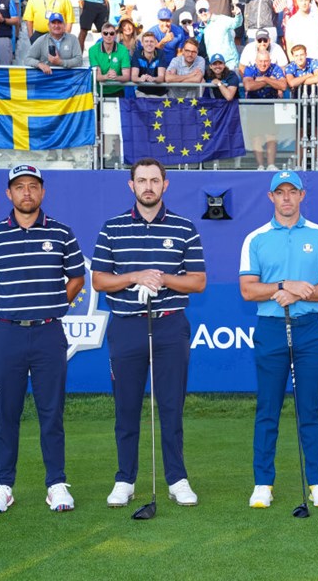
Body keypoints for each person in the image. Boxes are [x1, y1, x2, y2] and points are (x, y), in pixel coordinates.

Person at [91, 158, 207, 509]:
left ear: (165, 185)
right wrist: (135, 276)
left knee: (171, 407)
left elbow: (198, 281)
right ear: (131, 186)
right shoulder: (112, 228)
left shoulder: (184, 227)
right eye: (141, 180)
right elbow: (99, 280)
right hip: (127, 325)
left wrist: (162, 278)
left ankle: (176, 478)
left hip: (170, 324)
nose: (148, 186)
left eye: (154, 180)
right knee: (126, 408)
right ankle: (125, 479)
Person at [0, 164, 85, 515]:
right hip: (7, 334)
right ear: (9, 193)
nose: (26, 192)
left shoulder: (62, 233)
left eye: (32, 186)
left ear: (42, 191)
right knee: (7, 413)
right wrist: (7, 307)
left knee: (51, 413)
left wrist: (54, 306)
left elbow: (78, 277)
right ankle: (3, 485)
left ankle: (56, 484)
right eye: (19, 186)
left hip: (49, 332)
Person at [239, 170, 318, 510]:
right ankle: (263, 483)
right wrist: (283, 286)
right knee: (268, 409)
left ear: (301, 196)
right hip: (270, 328)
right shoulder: (255, 238)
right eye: (279, 192)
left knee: (309, 408)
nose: (286, 198)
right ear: (271, 197)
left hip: (310, 327)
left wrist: (300, 294)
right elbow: (248, 289)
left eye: (292, 192)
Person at [25, 12, 82, 161]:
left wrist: (60, 63)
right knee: (49, 118)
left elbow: (79, 60)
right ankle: (51, 149)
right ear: (49, 25)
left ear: (64, 25)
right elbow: (28, 58)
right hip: (47, 86)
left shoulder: (73, 39)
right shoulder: (41, 40)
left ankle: (66, 149)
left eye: (59, 23)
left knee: (66, 117)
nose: (56, 26)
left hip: (66, 86)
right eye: (53, 23)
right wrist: (40, 64)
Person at [243, 49, 288, 171]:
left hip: (271, 107)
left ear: (270, 61)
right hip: (254, 108)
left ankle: (271, 165)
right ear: (256, 61)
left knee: (271, 136)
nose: (263, 64)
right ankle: (260, 166)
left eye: (266, 61)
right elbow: (248, 86)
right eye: (261, 61)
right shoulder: (250, 68)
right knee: (256, 137)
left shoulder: (276, 68)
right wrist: (271, 81)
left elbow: (283, 86)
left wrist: (264, 79)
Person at [196, 0, 243, 71]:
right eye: (200, 11)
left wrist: (238, 14)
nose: (203, 13)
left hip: (230, 64)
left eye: (205, 10)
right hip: (214, 66)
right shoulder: (200, 29)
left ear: (209, 9)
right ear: (197, 14)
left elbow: (237, 23)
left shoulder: (221, 19)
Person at [90, 21, 132, 98]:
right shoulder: (93, 50)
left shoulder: (123, 50)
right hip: (98, 91)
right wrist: (107, 76)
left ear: (115, 34)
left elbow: (126, 76)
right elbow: (97, 76)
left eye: (111, 33)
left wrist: (116, 77)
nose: (108, 36)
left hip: (117, 91)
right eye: (105, 33)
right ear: (101, 34)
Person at [284, 0, 318, 66]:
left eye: (306, 0)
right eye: (301, 0)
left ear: (310, 1)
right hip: (300, 65)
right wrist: (294, 65)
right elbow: (289, 46)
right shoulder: (292, 22)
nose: (304, 3)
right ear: (297, 2)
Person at [131, 31, 169, 97]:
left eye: (151, 41)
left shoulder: (161, 54)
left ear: (155, 43)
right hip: (142, 92)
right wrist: (140, 79)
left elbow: (161, 77)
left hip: (160, 93)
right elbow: (134, 76)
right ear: (142, 43)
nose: (149, 44)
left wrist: (153, 79)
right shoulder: (137, 54)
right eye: (146, 41)